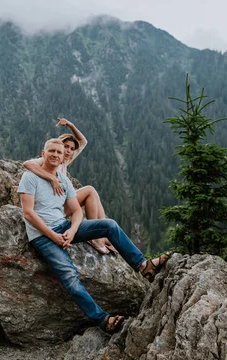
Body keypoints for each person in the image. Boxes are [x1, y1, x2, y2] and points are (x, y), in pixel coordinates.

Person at [18, 138, 171, 333]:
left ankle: (143, 266)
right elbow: (28, 213)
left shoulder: (63, 180)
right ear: (43, 153)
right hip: (42, 236)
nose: (56, 155)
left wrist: (72, 231)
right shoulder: (30, 177)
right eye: (52, 151)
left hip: (64, 227)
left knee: (109, 225)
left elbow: (76, 211)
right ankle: (103, 320)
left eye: (59, 152)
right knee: (70, 276)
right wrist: (53, 236)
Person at [23, 118, 115, 255]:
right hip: (53, 209)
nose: (68, 151)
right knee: (90, 190)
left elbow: (83, 141)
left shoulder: (65, 160)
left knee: (92, 193)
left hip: (61, 203)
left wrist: (71, 125)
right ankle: (95, 238)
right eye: (65, 147)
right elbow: (27, 164)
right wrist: (51, 178)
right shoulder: (50, 159)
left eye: (71, 149)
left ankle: (102, 236)